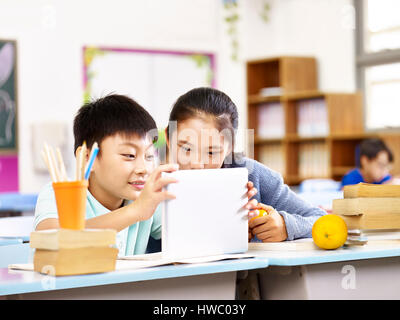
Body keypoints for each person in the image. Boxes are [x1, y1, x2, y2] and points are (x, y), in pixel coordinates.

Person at [164, 87, 326, 242]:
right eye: (186, 148)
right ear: (169, 138)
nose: (197, 164)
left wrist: (286, 226)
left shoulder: (252, 175)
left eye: (212, 152)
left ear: (230, 148)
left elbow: (321, 219)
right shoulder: (149, 184)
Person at [34, 94, 180, 255]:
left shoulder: (145, 197)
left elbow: (189, 234)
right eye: (129, 155)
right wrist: (135, 211)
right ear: (88, 158)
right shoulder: (59, 193)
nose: (143, 168)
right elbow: (50, 240)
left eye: (149, 156)